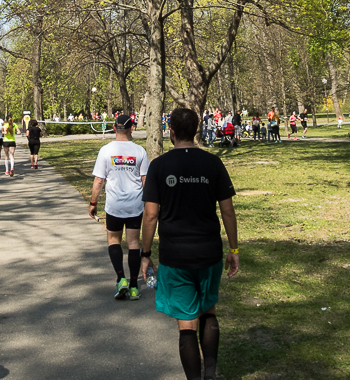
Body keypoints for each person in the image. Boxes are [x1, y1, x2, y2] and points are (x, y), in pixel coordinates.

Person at [140, 108, 239, 380]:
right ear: (195, 130)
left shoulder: (159, 166)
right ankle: (210, 373)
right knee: (209, 312)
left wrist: (145, 254)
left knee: (186, 325)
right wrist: (234, 250)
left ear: (171, 131)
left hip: (175, 257)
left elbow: (150, 215)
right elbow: (228, 211)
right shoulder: (213, 164)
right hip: (209, 253)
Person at [89, 114, 150, 300]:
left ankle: (120, 278)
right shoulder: (140, 151)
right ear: (132, 128)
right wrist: (149, 204)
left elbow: (99, 180)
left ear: (114, 128)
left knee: (114, 240)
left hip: (114, 205)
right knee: (133, 243)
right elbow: (145, 180)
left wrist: (93, 203)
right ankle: (133, 286)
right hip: (135, 204)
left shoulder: (106, 150)